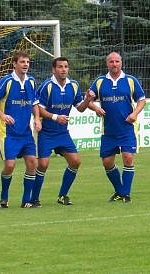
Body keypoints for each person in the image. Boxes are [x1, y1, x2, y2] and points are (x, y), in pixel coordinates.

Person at [31, 57, 102, 206]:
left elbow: (80, 108)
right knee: (43, 164)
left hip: (62, 132)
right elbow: (38, 108)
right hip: (46, 132)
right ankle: (34, 199)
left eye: (66, 67)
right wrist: (56, 117)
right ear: (53, 69)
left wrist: (88, 100)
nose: (63, 69)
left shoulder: (74, 85)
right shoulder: (47, 86)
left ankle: (62, 196)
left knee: (75, 161)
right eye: (60, 67)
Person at [87, 51, 147, 203]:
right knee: (107, 162)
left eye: (117, 61)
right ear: (107, 64)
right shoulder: (100, 82)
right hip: (108, 130)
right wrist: (96, 108)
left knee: (128, 158)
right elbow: (88, 100)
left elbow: (142, 100)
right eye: (111, 62)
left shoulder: (130, 80)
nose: (114, 64)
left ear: (121, 63)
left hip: (127, 128)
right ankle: (120, 191)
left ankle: (125, 194)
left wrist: (135, 114)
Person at [0, 51, 41, 208]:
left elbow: (35, 103)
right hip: (8, 133)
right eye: (22, 62)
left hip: (26, 133)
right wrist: (2, 115)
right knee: (9, 165)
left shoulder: (31, 81)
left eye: (28, 62)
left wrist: (37, 119)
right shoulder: (7, 81)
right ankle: (4, 196)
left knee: (32, 163)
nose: (26, 65)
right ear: (14, 64)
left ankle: (26, 200)